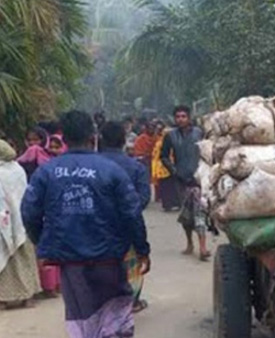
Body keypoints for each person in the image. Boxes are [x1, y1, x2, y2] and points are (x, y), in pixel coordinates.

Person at [21, 110, 150, 338]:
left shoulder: (46, 172)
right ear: (93, 137)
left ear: (63, 139)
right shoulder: (113, 171)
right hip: (110, 257)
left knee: (81, 316)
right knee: (115, 315)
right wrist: (141, 249)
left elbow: (29, 211)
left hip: (70, 259)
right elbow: (132, 213)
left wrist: (42, 243)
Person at [99, 122, 150, 313]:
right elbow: (142, 200)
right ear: (123, 141)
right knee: (131, 266)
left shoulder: (90, 165)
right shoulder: (136, 167)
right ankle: (132, 302)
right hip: (126, 227)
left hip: (95, 227)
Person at [160, 106, 209, 260]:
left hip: (198, 179)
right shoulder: (170, 136)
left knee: (200, 211)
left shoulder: (200, 133)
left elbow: (208, 152)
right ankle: (189, 243)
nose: (180, 119)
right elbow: (164, 156)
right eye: (178, 116)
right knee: (186, 214)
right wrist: (175, 171)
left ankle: (202, 247)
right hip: (181, 180)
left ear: (189, 117)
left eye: (183, 116)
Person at [0, 139, 41, 308]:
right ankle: (28, 295)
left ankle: (3, 297)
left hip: (5, 220)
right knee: (25, 258)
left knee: (5, 258)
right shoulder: (18, 170)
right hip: (21, 220)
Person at [150, 121, 169, 203]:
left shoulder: (160, 142)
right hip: (160, 164)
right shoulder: (159, 142)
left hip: (165, 164)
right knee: (161, 183)